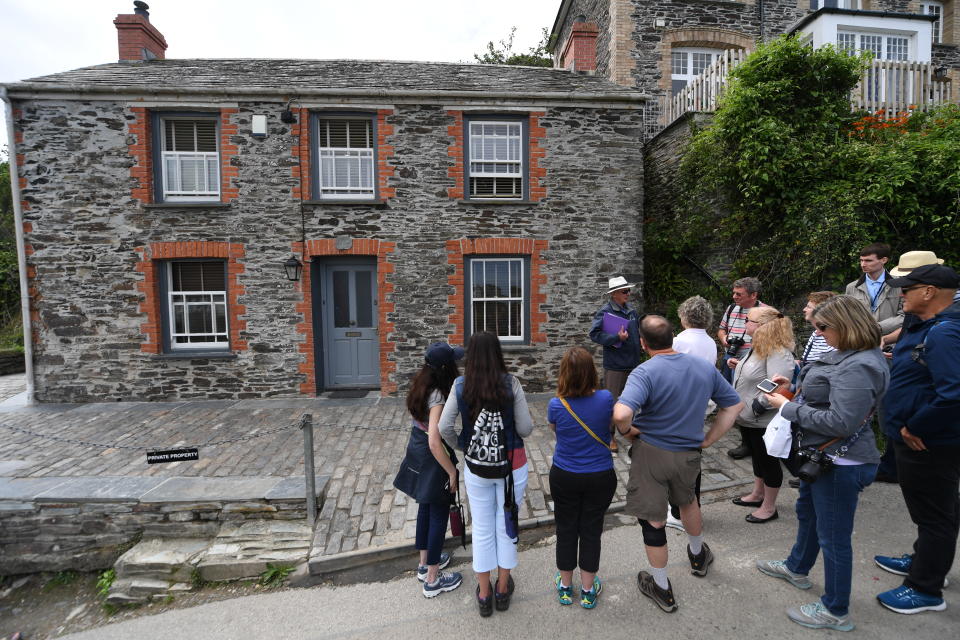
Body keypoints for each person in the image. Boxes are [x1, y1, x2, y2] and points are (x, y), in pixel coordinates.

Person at [758, 295, 889, 632]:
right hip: (824, 459)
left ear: (845, 326)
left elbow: (841, 421)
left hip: (841, 463)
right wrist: (795, 390)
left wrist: (787, 408)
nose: (819, 333)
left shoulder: (861, 364)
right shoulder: (850, 354)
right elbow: (827, 393)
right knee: (809, 515)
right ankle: (797, 567)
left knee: (834, 537)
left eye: (822, 327)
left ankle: (835, 610)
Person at [613, 315, 744, 614]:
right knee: (688, 502)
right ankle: (698, 556)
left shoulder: (643, 373)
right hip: (688, 453)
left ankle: (661, 587)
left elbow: (621, 414)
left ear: (642, 343)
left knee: (654, 520)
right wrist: (709, 439)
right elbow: (734, 405)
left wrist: (626, 432)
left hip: (651, 454)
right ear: (672, 337)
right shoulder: (702, 367)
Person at [874, 264, 960, 615]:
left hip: (926, 441)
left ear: (928, 292)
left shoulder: (944, 332)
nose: (900, 294)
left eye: (907, 289)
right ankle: (924, 560)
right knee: (932, 510)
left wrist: (916, 427)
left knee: (935, 514)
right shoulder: (923, 325)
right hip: (915, 435)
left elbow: (953, 392)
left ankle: (926, 588)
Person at [438, 332, 534, 617]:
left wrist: (465, 446)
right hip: (511, 467)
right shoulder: (511, 383)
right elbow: (526, 428)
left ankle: (483, 593)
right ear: (497, 353)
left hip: (477, 468)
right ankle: (503, 588)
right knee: (506, 525)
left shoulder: (459, 385)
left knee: (481, 528)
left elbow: (444, 427)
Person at [547, 347, 618, 609]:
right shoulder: (606, 398)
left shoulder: (556, 404)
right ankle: (588, 590)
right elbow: (611, 426)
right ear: (592, 372)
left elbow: (555, 430)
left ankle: (565, 587)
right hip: (600, 475)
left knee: (566, 529)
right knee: (591, 530)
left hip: (565, 474)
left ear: (564, 374)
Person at [392, 342, 465, 597]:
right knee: (438, 513)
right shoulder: (438, 396)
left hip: (417, 447)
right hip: (431, 454)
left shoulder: (421, 384)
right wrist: (452, 472)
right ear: (446, 368)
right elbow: (435, 440)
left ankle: (424, 564)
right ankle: (433, 579)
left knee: (425, 506)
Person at [730, 306, 796, 523]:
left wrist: (758, 405)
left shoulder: (777, 351)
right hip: (748, 417)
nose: (745, 324)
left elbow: (778, 384)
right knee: (758, 459)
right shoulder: (758, 347)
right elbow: (756, 376)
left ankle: (769, 507)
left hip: (762, 419)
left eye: (749, 321)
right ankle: (757, 494)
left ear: (763, 326)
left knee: (768, 462)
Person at [846, 242, 903, 484]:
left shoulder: (897, 285)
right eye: (861, 260)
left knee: (886, 405)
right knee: (858, 401)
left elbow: (904, 315)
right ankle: (860, 455)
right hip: (859, 350)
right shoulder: (853, 286)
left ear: (884, 260)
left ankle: (891, 461)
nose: (863, 264)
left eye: (869, 260)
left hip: (887, 349)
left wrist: (875, 329)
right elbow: (847, 314)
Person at [666, 295, 719, 531]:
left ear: (684, 316)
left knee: (676, 464)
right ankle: (690, 507)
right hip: (700, 407)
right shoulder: (710, 343)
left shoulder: (678, 341)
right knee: (692, 460)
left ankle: (679, 512)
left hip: (677, 408)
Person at [589, 276, 641, 452]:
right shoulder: (605, 312)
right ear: (614, 294)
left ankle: (627, 431)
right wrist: (615, 338)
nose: (628, 293)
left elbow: (636, 334)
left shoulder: (632, 312)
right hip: (615, 365)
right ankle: (610, 436)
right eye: (625, 291)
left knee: (631, 401)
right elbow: (594, 334)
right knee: (612, 401)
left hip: (633, 363)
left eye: (628, 290)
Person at [717, 277, 766, 459]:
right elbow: (721, 330)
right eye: (734, 292)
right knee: (732, 399)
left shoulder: (765, 312)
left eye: (739, 294)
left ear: (753, 295)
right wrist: (724, 339)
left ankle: (749, 443)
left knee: (748, 400)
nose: (734, 296)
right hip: (731, 358)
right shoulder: (731, 308)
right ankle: (744, 438)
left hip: (753, 362)